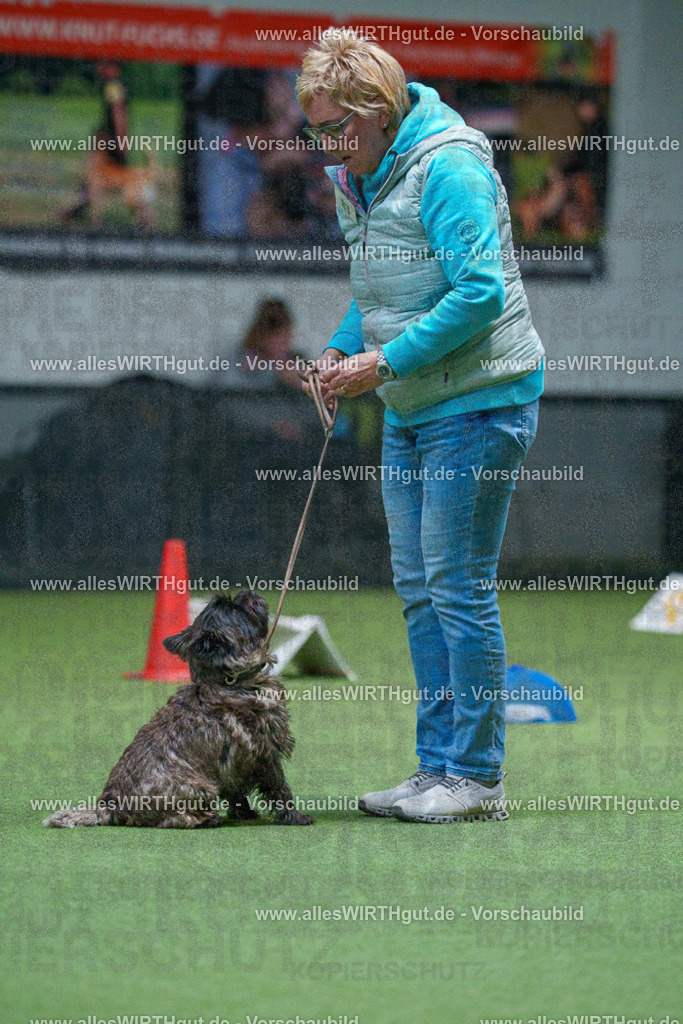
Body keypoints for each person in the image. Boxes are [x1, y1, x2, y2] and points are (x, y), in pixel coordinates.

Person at [296, 29, 545, 823]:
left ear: (376, 112)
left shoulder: (450, 168)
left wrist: (383, 363)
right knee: (419, 591)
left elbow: (476, 294)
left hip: (478, 401)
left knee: (457, 588)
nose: (326, 147)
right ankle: (435, 766)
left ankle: (476, 779)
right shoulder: (358, 173)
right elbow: (382, 281)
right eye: (316, 130)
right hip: (410, 401)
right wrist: (341, 349)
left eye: (335, 128)